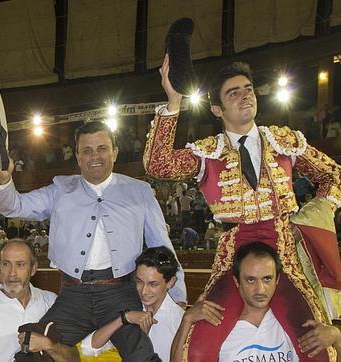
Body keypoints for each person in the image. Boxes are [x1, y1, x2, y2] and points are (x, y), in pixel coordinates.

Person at [144, 57, 341, 361]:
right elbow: (159, 164)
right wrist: (173, 101)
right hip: (232, 259)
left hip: (284, 258)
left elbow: (332, 174)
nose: (245, 95)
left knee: (317, 347)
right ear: (217, 109)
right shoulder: (209, 152)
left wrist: (319, 211)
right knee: (197, 348)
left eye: (248, 89)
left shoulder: (283, 141)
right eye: (233, 93)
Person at [0, 121, 186, 360]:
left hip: (120, 293)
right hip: (74, 294)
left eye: (102, 148)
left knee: (141, 354)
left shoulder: (139, 191)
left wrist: (179, 297)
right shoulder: (60, 189)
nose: (95, 156)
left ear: (115, 151)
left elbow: (162, 247)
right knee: (33, 353)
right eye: (87, 150)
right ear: (78, 156)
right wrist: (3, 180)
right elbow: (15, 206)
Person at [171, 242, 341, 361]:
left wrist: (337, 338)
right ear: (237, 282)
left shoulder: (293, 324)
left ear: (277, 280)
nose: (260, 289)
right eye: (251, 280)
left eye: (267, 279)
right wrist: (186, 320)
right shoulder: (218, 325)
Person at [0, 239, 74, 361]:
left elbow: (73, 357)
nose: (12, 274)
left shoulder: (51, 302)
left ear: (33, 268)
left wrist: (48, 345)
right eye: (6, 264)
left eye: (20, 265)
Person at [80, 246, 184, 362]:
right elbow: (88, 347)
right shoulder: (128, 306)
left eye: (152, 284)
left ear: (170, 282)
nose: (144, 291)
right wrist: (124, 318)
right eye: (139, 282)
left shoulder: (179, 322)